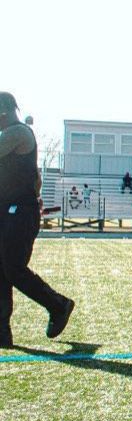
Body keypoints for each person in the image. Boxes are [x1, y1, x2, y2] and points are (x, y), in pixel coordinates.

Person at [0, 92, 75, 349]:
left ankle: (58, 305)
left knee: (13, 268)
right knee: (2, 271)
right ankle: (2, 332)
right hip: (8, 210)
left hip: (19, 211)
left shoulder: (18, 133)